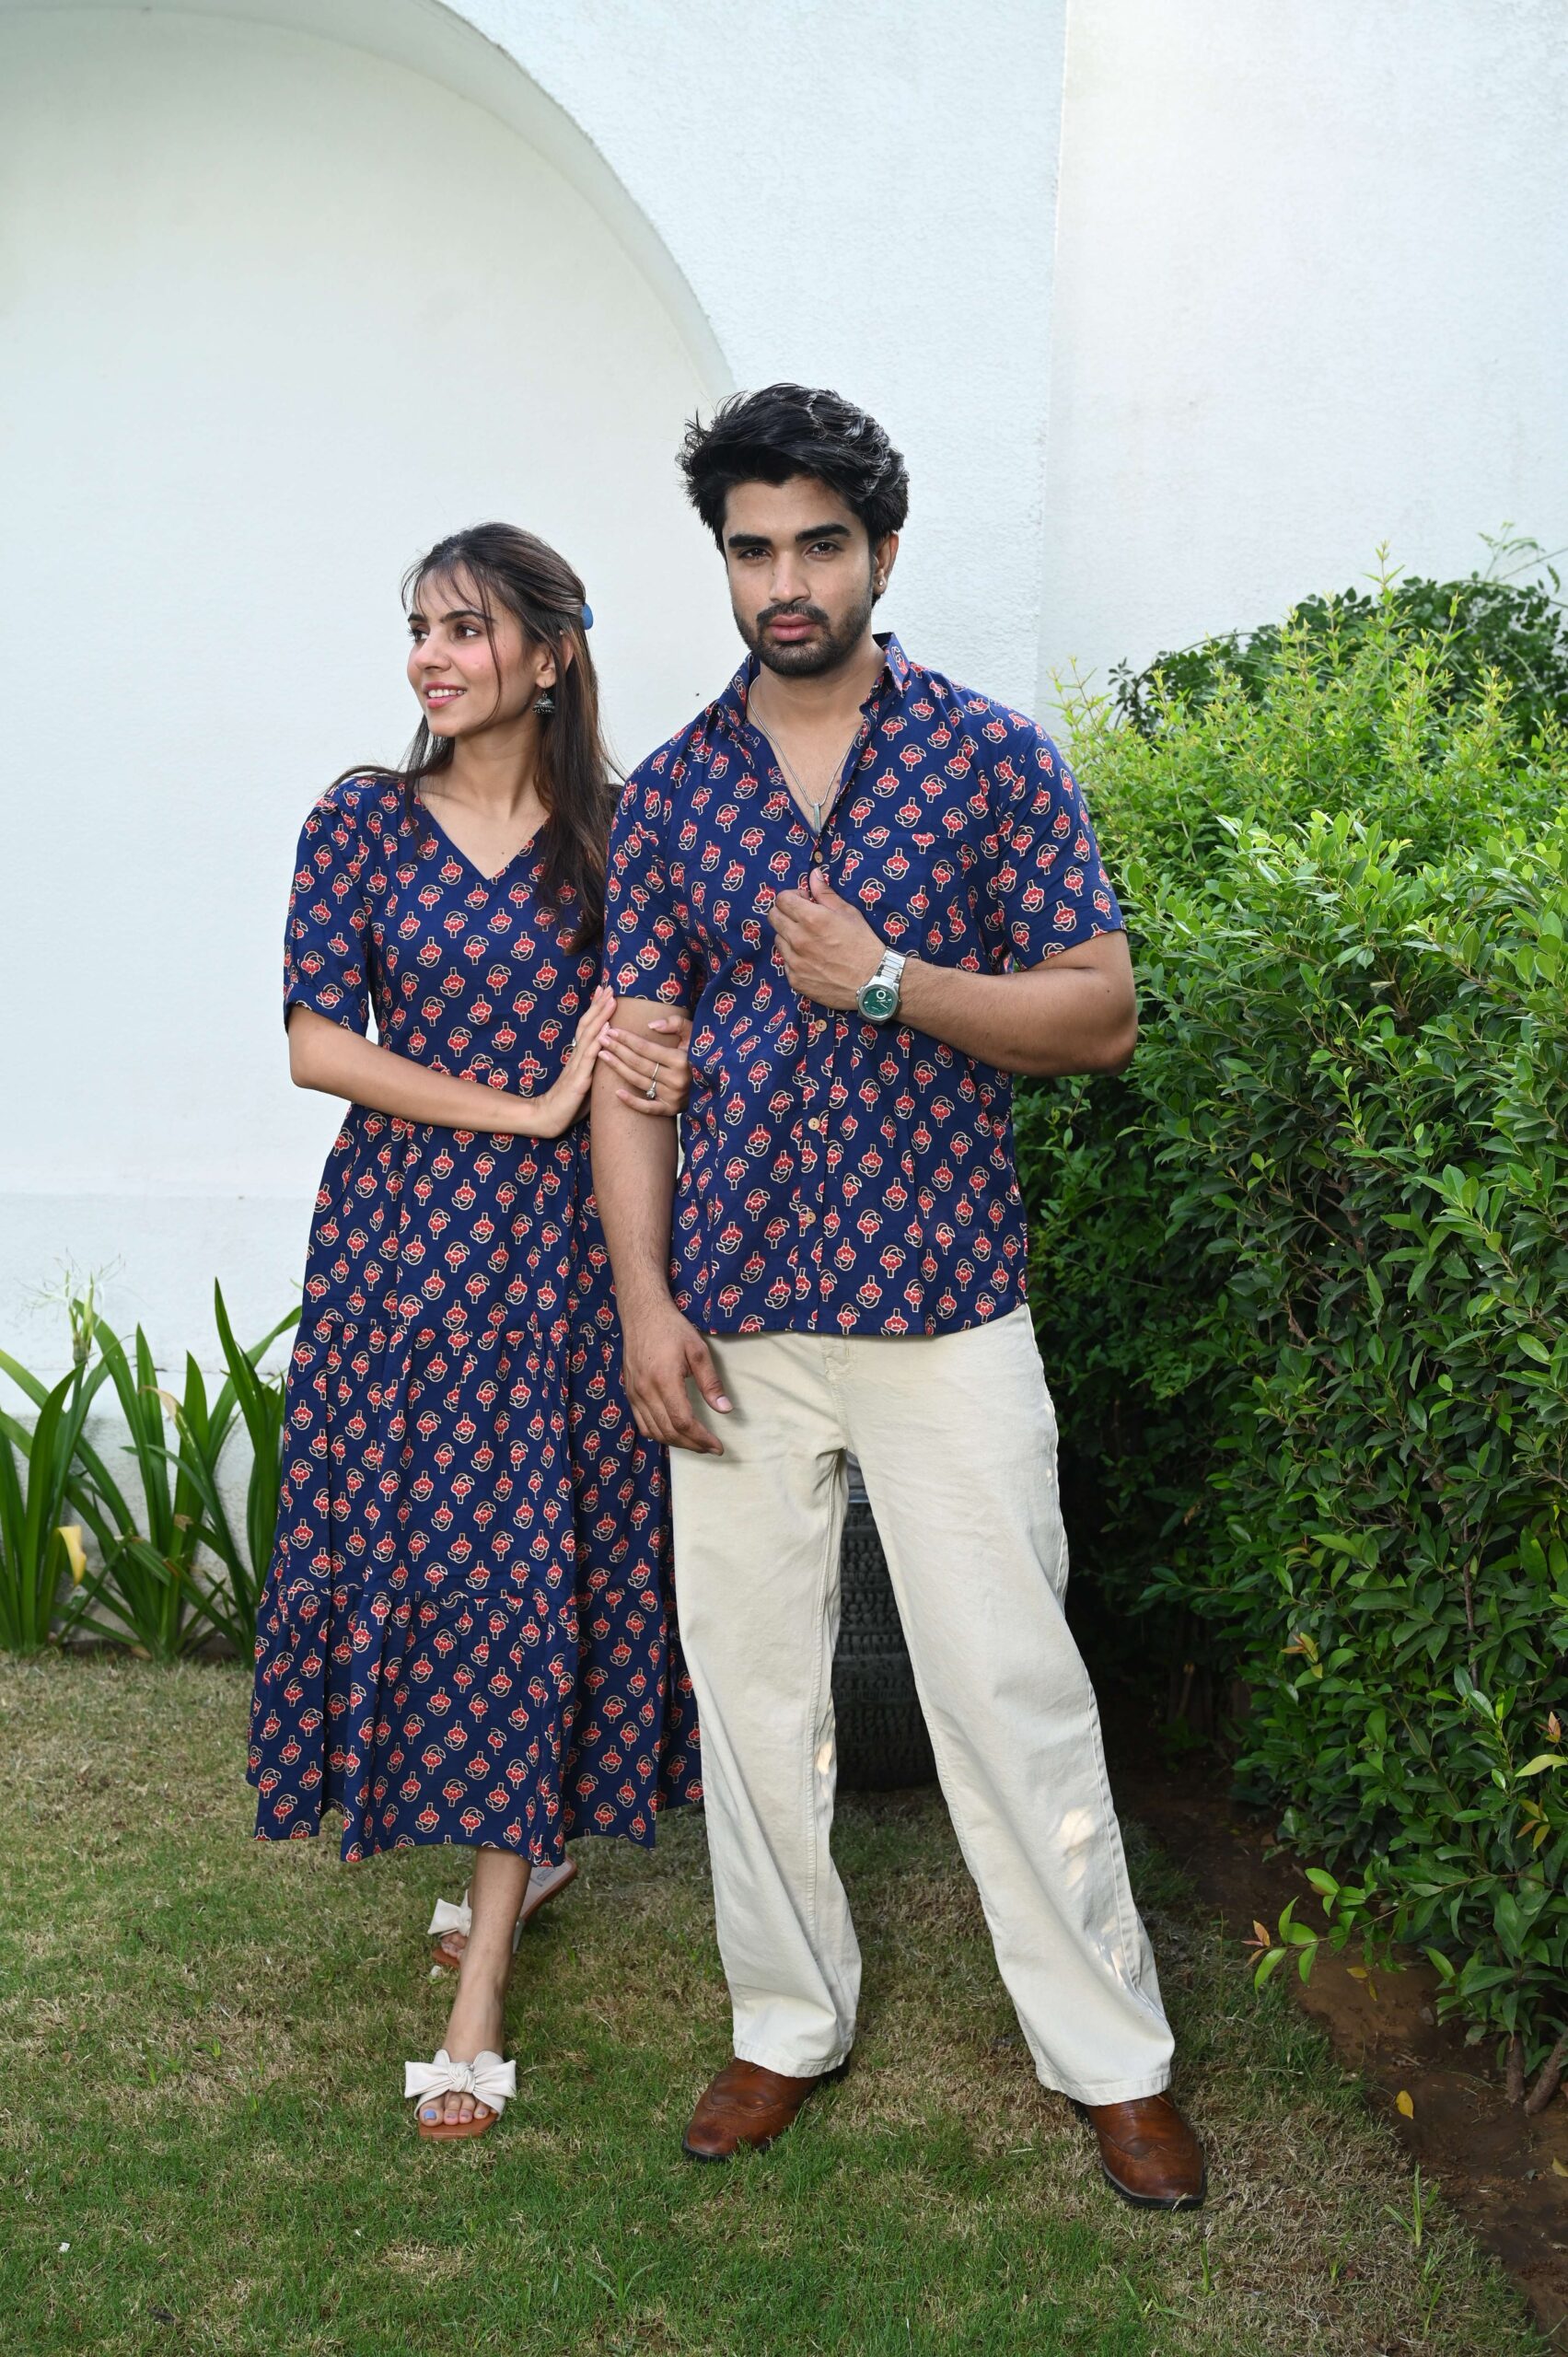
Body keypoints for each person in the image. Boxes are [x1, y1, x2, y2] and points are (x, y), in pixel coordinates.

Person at [589, 386, 1204, 2209]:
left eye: (819, 544)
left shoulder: (992, 758)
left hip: (944, 1309)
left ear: (882, 551)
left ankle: (1113, 2058)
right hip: (736, 1315)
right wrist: (643, 1302)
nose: (785, 580)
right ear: (724, 562)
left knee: (1012, 1686)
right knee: (752, 1691)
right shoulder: (675, 793)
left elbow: (1100, 1010)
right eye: (753, 548)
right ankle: (785, 2022)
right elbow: (638, 1071)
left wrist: (888, 983)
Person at [249, 523, 702, 2141]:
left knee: (529, 1569)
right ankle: (521, 1848)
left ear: (552, 654)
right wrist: (523, 1107)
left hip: (562, 1266)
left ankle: (483, 1984)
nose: (432, 658)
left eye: (467, 629)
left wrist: (644, 1074)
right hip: (394, 1256)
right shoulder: (359, 821)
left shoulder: (623, 838)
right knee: (421, 1556)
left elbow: (662, 1038)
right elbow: (318, 1044)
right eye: (421, 628)